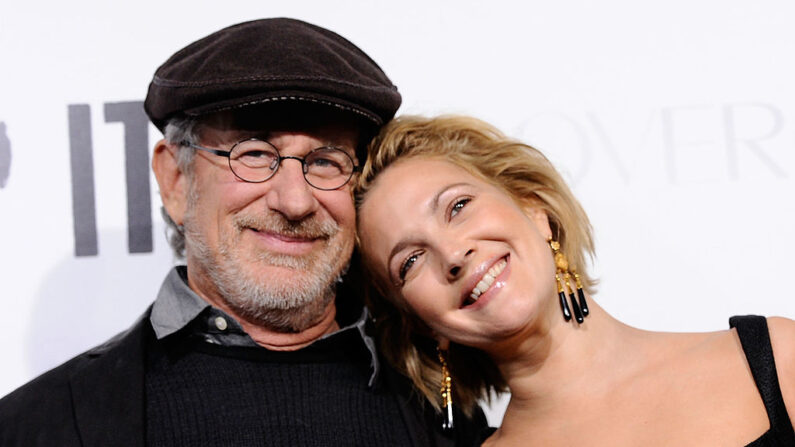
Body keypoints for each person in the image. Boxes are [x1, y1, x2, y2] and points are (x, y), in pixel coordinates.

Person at [0, 20, 486, 446]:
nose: (295, 201)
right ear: (176, 180)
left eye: (324, 161)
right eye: (253, 154)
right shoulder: (39, 425)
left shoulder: (442, 405)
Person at [355, 115, 795, 446]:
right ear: (420, 323)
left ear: (533, 208)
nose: (452, 255)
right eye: (410, 261)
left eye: (457, 206)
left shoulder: (776, 357)